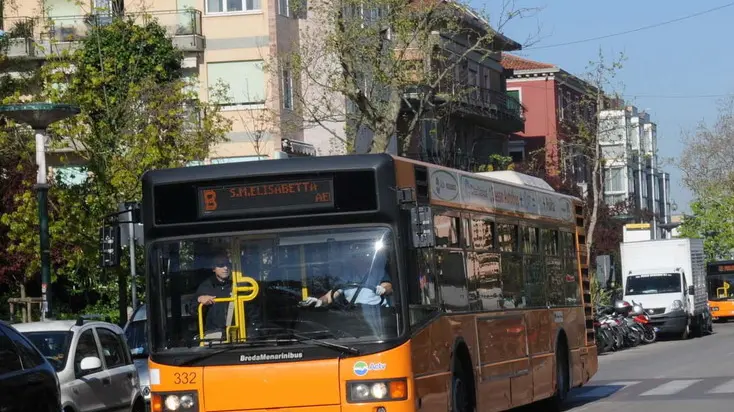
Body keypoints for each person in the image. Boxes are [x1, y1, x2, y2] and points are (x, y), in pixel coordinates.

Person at [193, 250, 234, 339]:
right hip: (214, 335)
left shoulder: (238, 284)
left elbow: (252, 311)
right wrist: (199, 299)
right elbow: (193, 310)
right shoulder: (206, 286)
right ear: (213, 268)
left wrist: (254, 331)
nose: (225, 268)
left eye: (228, 264)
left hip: (238, 333)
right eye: (221, 265)